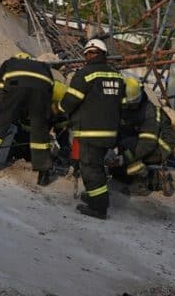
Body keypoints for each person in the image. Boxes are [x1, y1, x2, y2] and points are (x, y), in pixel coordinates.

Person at [0, 52, 56, 185]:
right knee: (40, 129)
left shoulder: (8, 64)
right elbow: (48, 93)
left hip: (16, 83)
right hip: (42, 85)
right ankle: (44, 175)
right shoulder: (42, 67)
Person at [59, 38, 124, 220]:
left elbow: (71, 101)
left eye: (89, 53)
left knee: (90, 169)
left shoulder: (85, 74)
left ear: (88, 55)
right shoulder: (117, 76)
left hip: (90, 131)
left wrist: (59, 109)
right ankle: (97, 198)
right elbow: (122, 104)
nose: (88, 56)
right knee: (97, 167)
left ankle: (99, 208)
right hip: (110, 133)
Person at [119, 76, 175, 196]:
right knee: (118, 170)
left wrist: (124, 158)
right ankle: (148, 176)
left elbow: (147, 144)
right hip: (144, 142)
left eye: (129, 104)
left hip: (161, 146)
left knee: (127, 153)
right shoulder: (132, 107)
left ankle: (149, 180)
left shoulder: (149, 112)